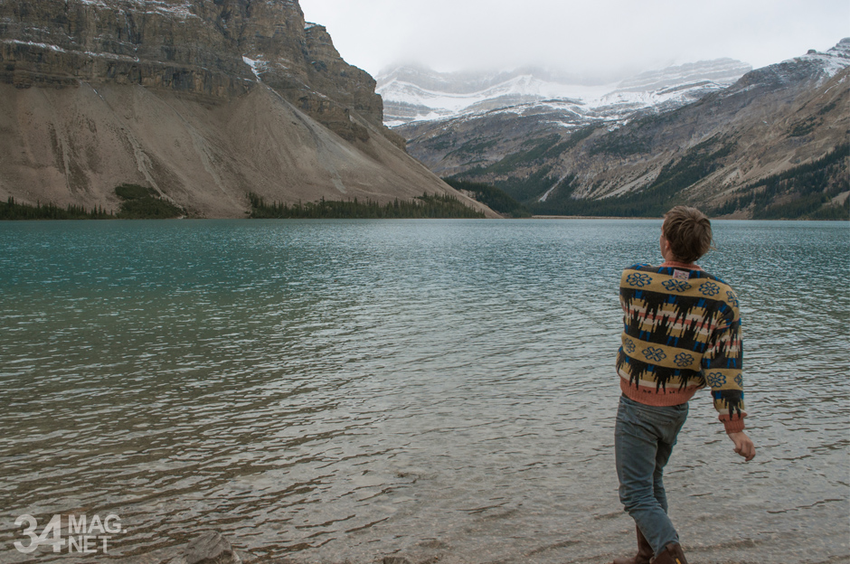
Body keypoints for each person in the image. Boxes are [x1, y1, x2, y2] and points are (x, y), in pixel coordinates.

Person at [613, 206, 755, 564]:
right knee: (652, 480)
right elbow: (725, 367)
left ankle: (669, 550)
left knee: (634, 493)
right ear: (704, 248)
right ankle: (646, 556)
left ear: (665, 241)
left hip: (636, 405)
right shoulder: (723, 298)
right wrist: (734, 427)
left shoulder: (634, 280)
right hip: (675, 409)